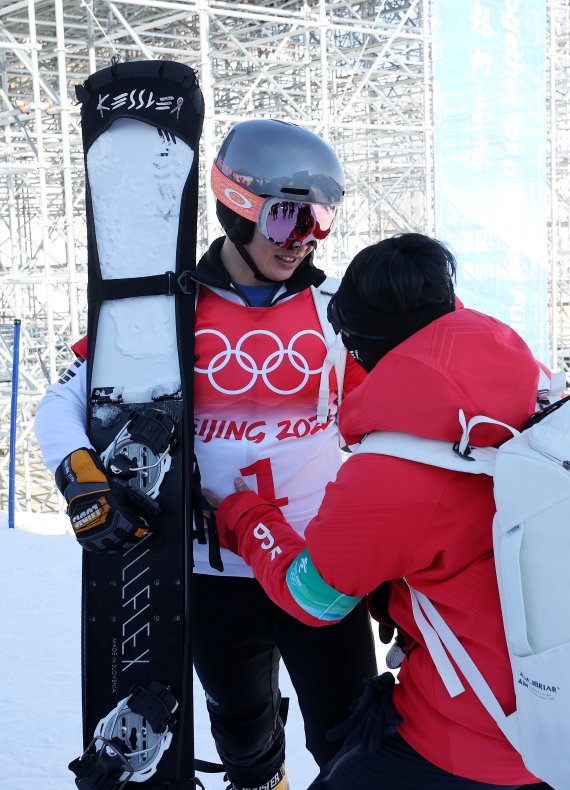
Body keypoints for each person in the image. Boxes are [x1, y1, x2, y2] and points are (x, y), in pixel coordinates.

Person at [34, 119, 377, 790]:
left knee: (350, 739)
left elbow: (400, 418)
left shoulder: (338, 312)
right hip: (209, 570)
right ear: (237, 206)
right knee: (244, 737)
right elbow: (61, 405)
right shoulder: (163, 314)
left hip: (318, 565)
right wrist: (83, 480)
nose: (306, 237)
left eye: (321, 218)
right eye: (288, 217)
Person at [205, 233, 553, 788]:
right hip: (550, 697)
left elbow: (313, 596)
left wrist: (247, 516)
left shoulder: (395, 469)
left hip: (477, 733)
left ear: (364, 345)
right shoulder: (539, 388)